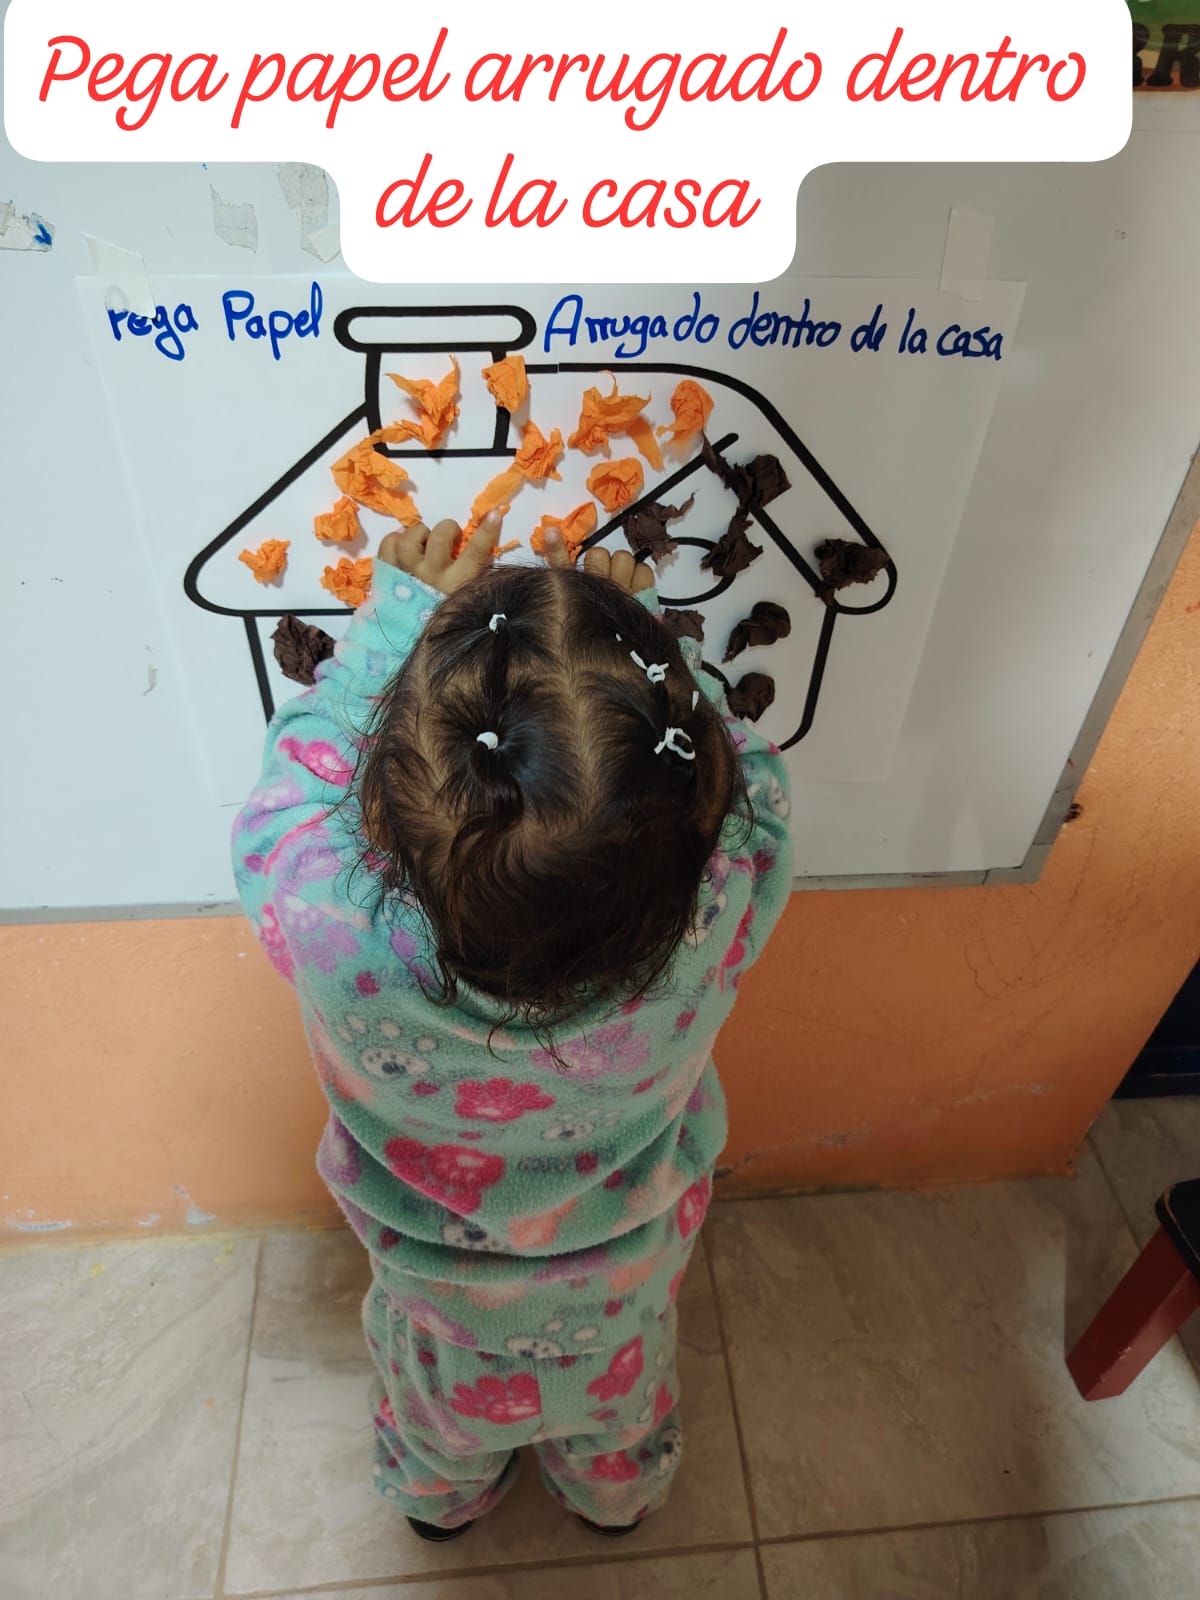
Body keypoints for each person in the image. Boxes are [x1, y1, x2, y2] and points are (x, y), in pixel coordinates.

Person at [233, 510, 792, 1541]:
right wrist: (658, 661)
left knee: (435, 1421)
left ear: (378, 808)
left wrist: (392, 626)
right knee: (622, 1406)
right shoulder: (720, 904)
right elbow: (755, 785)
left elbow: (285, 795)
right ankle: (615, 1496)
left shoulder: (333, 928)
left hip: (437, 1306)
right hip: (627, 1285)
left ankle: (441, 1505)